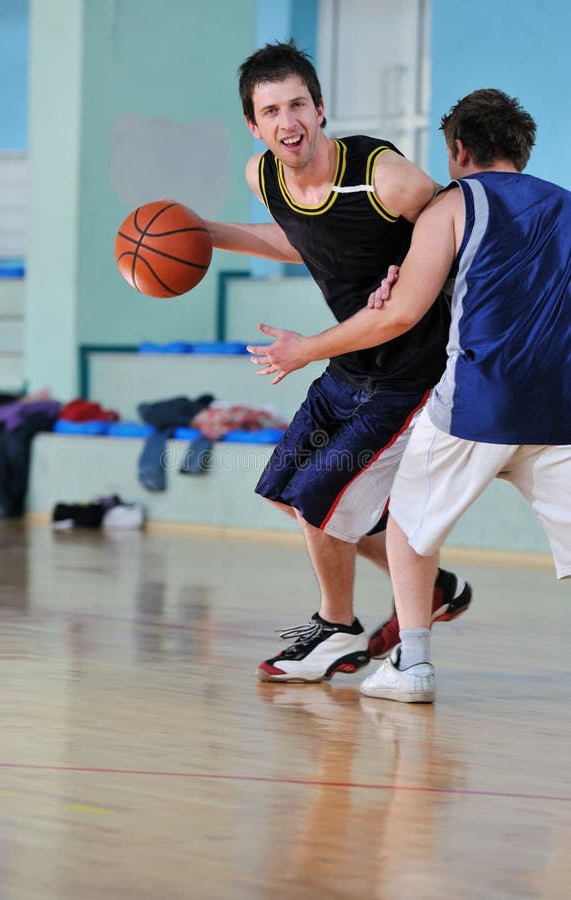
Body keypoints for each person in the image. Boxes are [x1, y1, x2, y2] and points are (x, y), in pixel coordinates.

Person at [247, 88, 571, 700]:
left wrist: (368, 303)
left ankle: (412, 666)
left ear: (457, 150)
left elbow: (401, 315)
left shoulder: (452, 203)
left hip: (476, 403)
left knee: (411, 531)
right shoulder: (566, 206)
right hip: (558, 409)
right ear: (524, 150)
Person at [204, 40, 471, 683]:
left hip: (412, 366)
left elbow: (460, 227)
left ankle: (338, 629)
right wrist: (205, 233)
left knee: (321, 496)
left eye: (297, 104)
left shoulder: (383, 175)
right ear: (254, 123)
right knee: (288, 490)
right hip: (353, 362)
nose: (286, 122)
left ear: (320, 108)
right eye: (270, 111)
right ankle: (432, 585)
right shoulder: (263, 175)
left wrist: (410, 277)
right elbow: (303, 242)